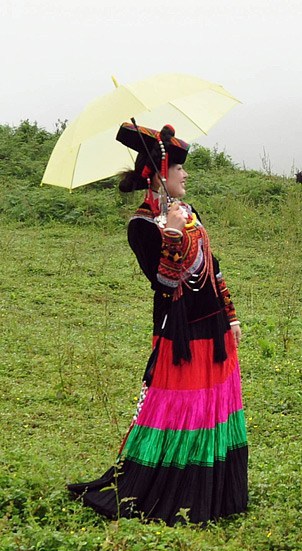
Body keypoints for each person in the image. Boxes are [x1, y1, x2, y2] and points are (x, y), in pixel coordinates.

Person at [67, 122, 248, 525]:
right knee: (179, 407)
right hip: (179, 333)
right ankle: (173, 492)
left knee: (213, 407)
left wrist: (231, 316)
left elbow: (213, 269)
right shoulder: (142, 226)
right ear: (161, 173)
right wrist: (170, 232)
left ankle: (217, 494)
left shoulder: (189, 212)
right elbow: (165, 284)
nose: (185, 175)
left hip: (213, 330)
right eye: (179, 168)